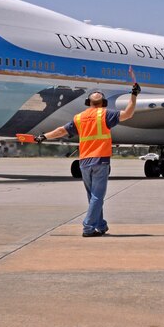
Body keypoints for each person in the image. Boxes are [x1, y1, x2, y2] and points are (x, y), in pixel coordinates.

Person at [34, 82, 140, 237]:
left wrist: (44, 136)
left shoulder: (79, 118)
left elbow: (61, 131)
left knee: (93, 197)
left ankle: (101, 225)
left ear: (88, 103)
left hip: (84, 162)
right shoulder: (105, 114)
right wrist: (134, 95)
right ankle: (88, 227)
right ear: (103, 103)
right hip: (100, 161)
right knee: (97, 197)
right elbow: (128, 113)